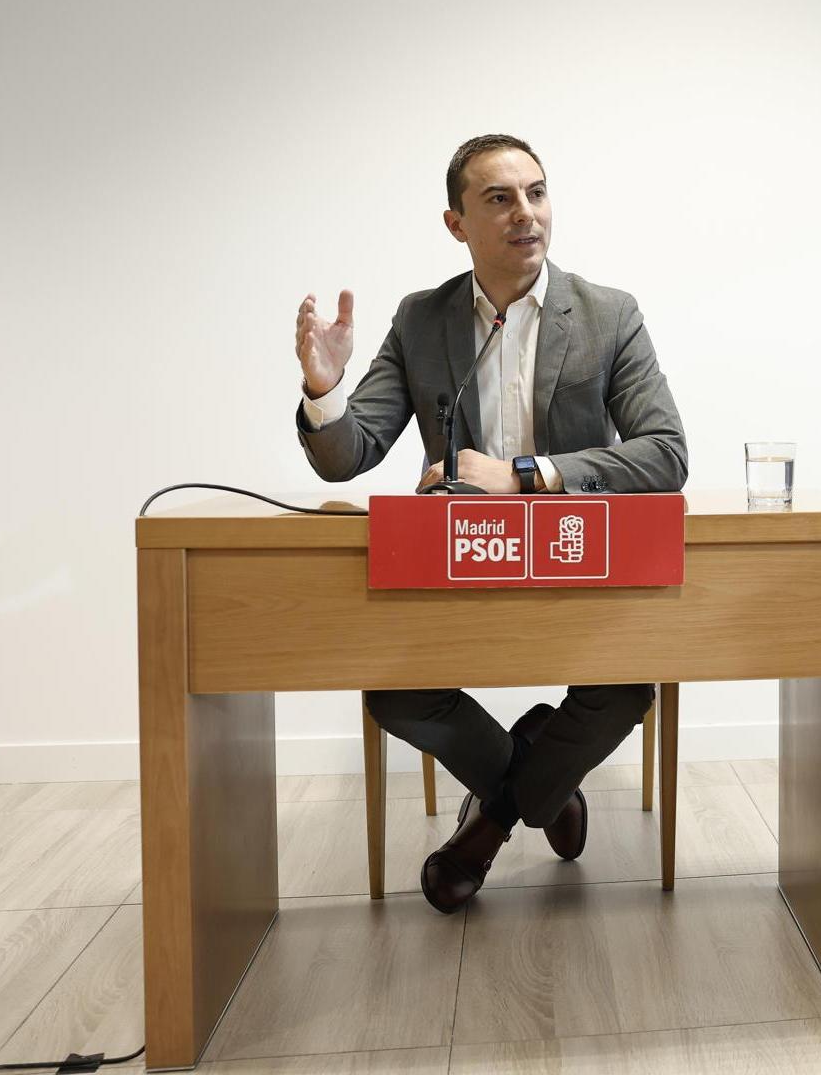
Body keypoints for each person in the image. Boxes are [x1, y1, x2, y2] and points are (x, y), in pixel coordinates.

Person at [292, 133, 688, 913]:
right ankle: (541, 781)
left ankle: (498, 812)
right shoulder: (421, 320)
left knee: (620, 689)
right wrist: (325, 391)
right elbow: (347, 455)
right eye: (499, 199)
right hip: (459, 571)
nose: (525, 214)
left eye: (536, 193)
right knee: (397, 695)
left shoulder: (609, 316)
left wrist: (526, 478)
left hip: (581, 571)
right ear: (456, 223)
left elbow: (666, 454)